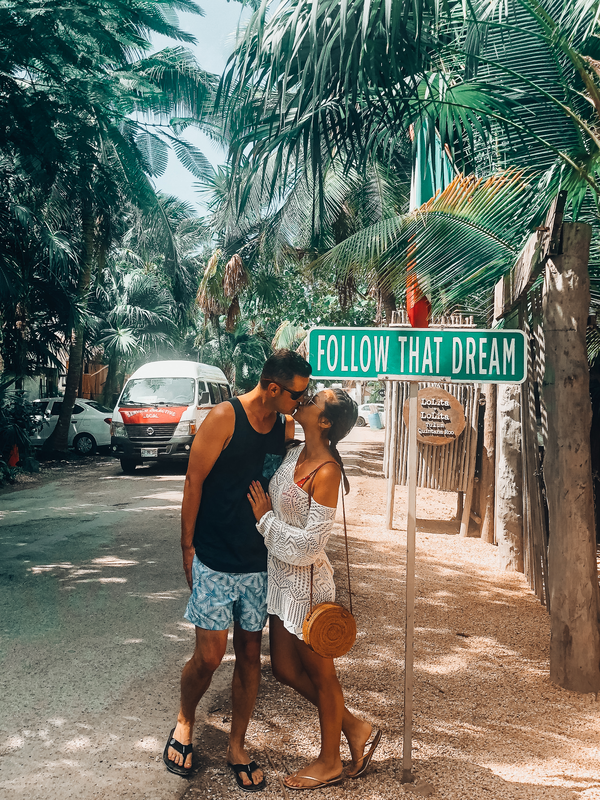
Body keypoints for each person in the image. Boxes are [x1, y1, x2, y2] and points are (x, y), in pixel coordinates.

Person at [163, 350, 312, 791]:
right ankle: (184, 721)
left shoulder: (285, 427)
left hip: (257, 564)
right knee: (209, 656)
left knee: (249, 655)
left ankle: (236, 745)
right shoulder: (224, 418)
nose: (301, 402)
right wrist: (187, 547)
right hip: (214, 558)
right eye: (297, 395)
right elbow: (193, 481)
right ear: (273, 388)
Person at [247, 388, 382, 790]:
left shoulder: (327, 471)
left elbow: (310, 546)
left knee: (324, 678)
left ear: (324, 421)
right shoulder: (294, 453)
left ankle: (330, 761)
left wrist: (265, 519)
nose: (305, 400)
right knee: (285, 670)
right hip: (281, 583)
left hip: (309, 589)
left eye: (314, 400)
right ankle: (354, 727)